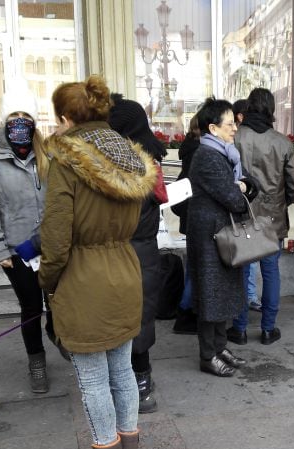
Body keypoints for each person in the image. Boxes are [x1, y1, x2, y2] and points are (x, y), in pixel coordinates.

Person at [39, 75, 156, 449]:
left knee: (92, 379)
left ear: (67, 118)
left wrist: (46, 281)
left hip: (82, 277)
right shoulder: (127, 154)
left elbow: (55, 238)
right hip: (125, 269)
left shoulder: (66, 161)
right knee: (122, 370)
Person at [0, 82, 56, 394]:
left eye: (26, 116)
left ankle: (58, 335)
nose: (20, 122)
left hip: (49, 245)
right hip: (16, 249)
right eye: (14, 115)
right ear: (4, 119)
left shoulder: (46, 152)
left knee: (58, 304)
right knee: (32, 306)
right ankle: (36, 361)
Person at [186, 97, 257, 376]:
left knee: (223, 295)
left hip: (222, 235)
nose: (235, 128)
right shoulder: (207, 157)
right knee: (210, 297)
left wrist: (243, 186)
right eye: (230, 124)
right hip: (210, 238)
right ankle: (208, 356)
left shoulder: (226, 154)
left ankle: (219, 346)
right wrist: (241, 187)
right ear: (213, 128)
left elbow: (252, 185)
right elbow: (236, 200)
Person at [108, 94, 168, 414]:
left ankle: (139, 384)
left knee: (133, 319)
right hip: (144, 252)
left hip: (130, 251)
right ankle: (141, 380)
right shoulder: (148, 162)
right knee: (141, 317)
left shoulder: (128, 168)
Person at [227, 88, 294, 346]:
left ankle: (240, 328)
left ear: (247, 108)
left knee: (241, 273)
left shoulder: (235, 138)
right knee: (271, 272)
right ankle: (268, 328)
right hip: (272, 216)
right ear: (271, 109)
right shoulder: (282, 142)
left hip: (241, 214)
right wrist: (282, 202)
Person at [172, 114, 201, 335]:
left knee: (194, 266)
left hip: (189, 216)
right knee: (195, 268)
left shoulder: (188, 148)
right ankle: (185, 311)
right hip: (195, 216)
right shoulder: (198, 151)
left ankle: (187, 310)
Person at [233, 98, 262, 311]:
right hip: (265, 208)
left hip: (242, 208)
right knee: (264, 265)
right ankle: (251, 298)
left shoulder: (232, 139)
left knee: (245, 260)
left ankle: (242, 311)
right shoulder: (276, 139)